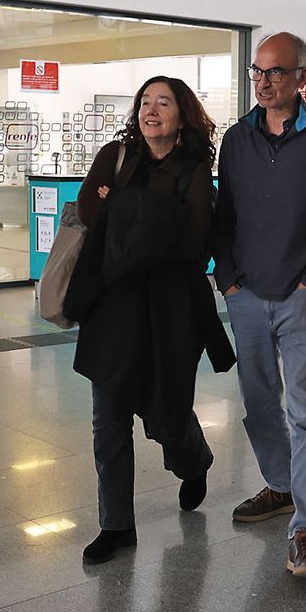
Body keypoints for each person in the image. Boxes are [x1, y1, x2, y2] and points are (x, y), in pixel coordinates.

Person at [213, 32, 306, 580]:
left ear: (302, 78)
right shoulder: (237, 138)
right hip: (247, 296)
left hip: (304, 299)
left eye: (275, 73)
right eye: (257, 72)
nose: (263, 82)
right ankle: (279, 485)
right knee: (258, 406)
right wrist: (227, 278)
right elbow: (222, 214)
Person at [70, 75, 235, 563]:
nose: (151, 110)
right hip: (113, 303)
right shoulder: (116, 156)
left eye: (163, 102)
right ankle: (115, 524)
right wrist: (150, 222)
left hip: (171, 307)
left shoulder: (194, 166)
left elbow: (194, 242)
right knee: (109, 418)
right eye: (145, 102)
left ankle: (195, 460)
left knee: (167, 409)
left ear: (182, 114)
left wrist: (121, 210)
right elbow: (87, 211)